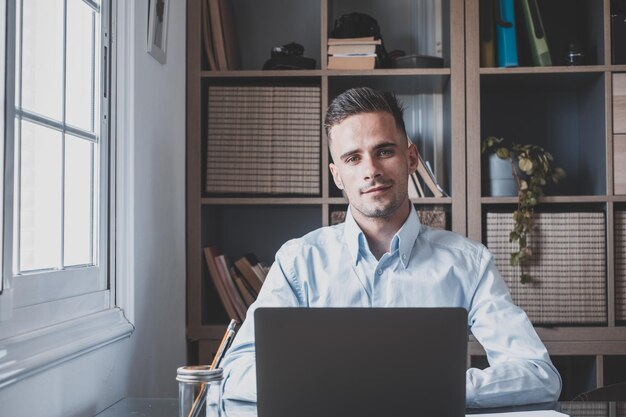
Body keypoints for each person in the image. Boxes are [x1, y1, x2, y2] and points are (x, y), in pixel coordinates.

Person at [219, 87, 561, 408]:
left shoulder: (468, 263)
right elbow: (236, 374)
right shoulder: (298, 262)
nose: (371, 170)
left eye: (384, 151)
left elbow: (537, 373)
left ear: (411, 158)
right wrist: (345, 385)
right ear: (337, 176)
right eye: (353, 159)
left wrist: (434, 386)